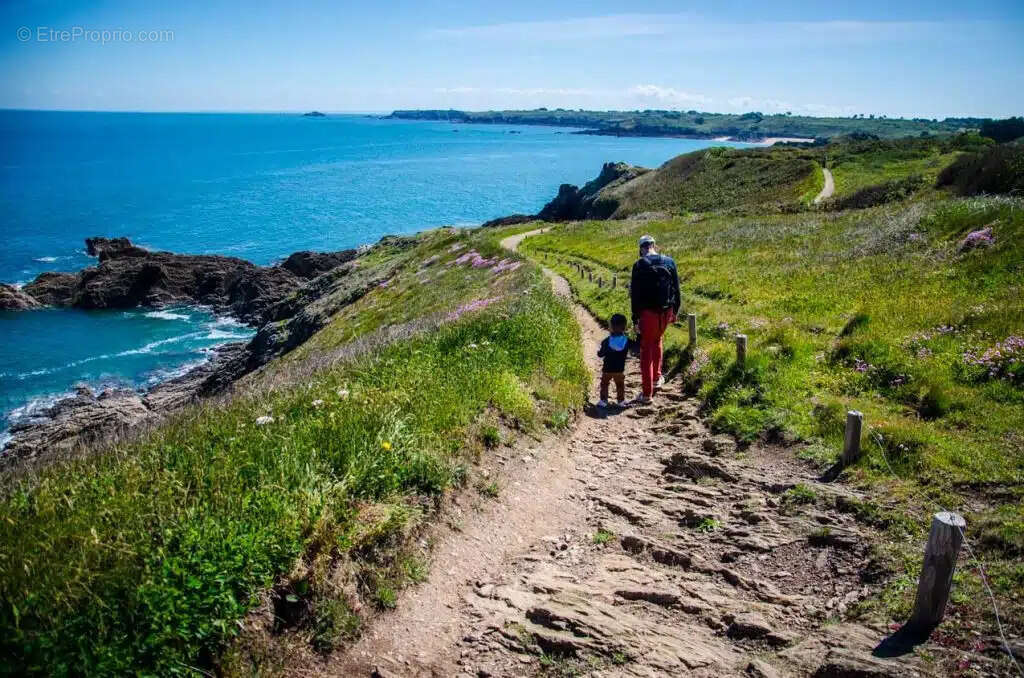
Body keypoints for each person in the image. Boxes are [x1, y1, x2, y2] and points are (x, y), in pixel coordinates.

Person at [630, 234, 680, 403]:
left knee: (645, 349)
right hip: (666, 311)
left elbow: (635, 296)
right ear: (654, 245)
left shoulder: (638, 265)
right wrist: (675, 311)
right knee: (658, 340)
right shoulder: (669, 261)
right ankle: (657, 379)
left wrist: (635, 319)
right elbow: (677, 289)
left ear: (641, 248)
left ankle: (646, 394)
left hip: (647, 313)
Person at [596, 313, 637, 408]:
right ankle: (621, 401)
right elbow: (636, 347)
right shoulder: (627, 341)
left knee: (605, 384)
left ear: (611, 327)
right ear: (624, 327)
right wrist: (637, 335)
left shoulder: (606, 341)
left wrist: (599, 352)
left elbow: (601, 354)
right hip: (619, 369)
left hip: (607, 369)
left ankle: (603, 400)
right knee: (620, 384)